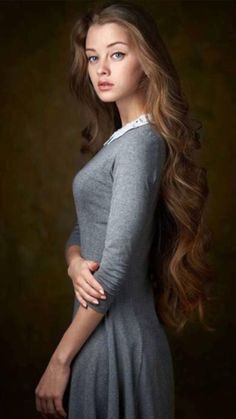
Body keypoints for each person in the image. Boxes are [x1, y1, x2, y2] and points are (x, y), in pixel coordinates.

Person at [35, 1, 214, 418]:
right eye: (93, 57)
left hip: (116, 340)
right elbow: (82, 229)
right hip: (97, 337)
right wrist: (74, 262)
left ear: (147, 61)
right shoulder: (120, 141)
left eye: (117, 54)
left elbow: (113, 271)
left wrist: (59, 361)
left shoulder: (141, 144)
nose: (101, 68)